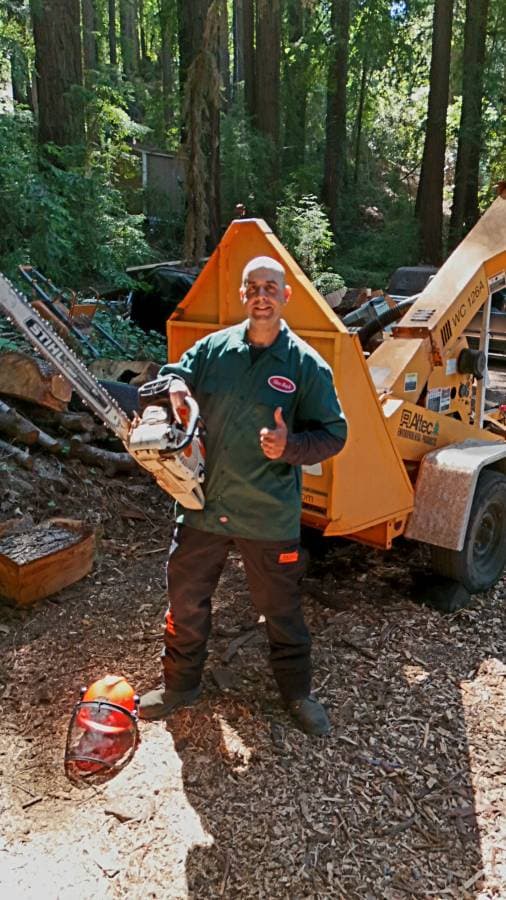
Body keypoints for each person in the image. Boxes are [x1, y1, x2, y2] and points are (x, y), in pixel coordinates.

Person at [139, 256, 347, 735]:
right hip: (202, 503)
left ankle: (297, 694)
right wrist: (176, 392)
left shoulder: (305, 366)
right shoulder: (213, 349)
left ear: (286, 296)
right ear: (242, 294)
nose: (261, 295)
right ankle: (180, 686)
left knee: (281, 609)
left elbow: (334, 434)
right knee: (186, 600)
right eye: (253, 286)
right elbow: (173, 373)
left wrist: (290, 446)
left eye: (271, 287)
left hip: (267, 512)